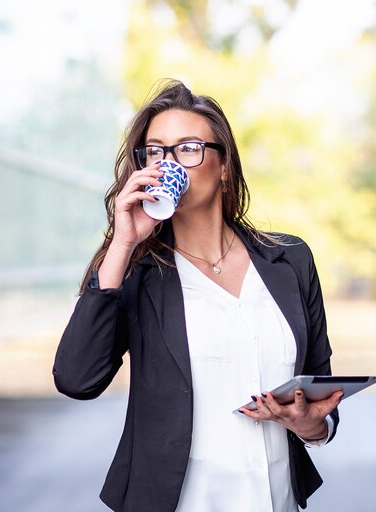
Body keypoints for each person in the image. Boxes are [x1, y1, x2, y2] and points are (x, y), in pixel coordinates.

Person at [53, 79, 342, 512]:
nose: (168, 163)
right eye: (155, 151)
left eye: (188, 148)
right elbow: (77, 379)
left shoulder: (290, 261)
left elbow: (321, 393)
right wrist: (123, 243)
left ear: (223, 166)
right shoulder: (137, 273)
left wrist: (313, 426)